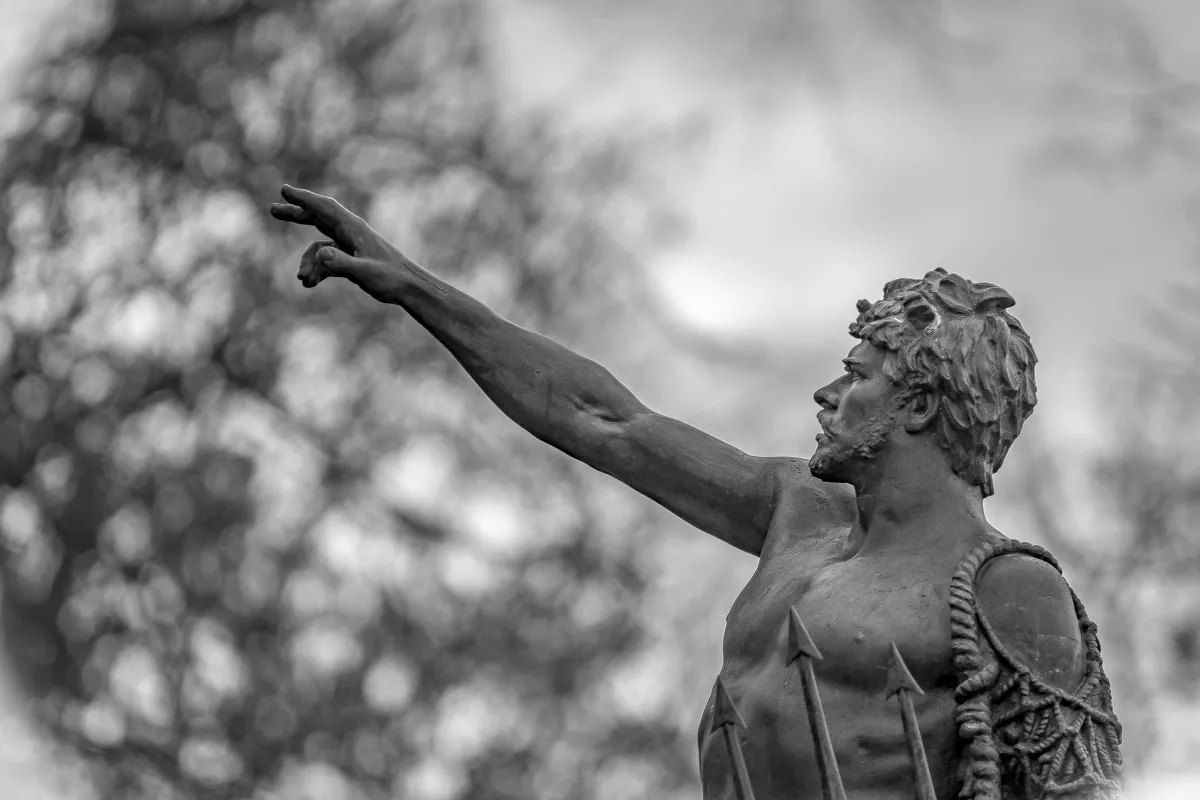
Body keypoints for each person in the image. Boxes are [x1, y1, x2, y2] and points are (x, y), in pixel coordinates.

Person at [270, 185, 1123, 799]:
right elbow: (602, 419)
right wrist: (413, 287)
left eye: (855, 377)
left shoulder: (1006, 590)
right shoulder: (799, 512)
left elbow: (1074, 790)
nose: (827, 398)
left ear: (923, 403)